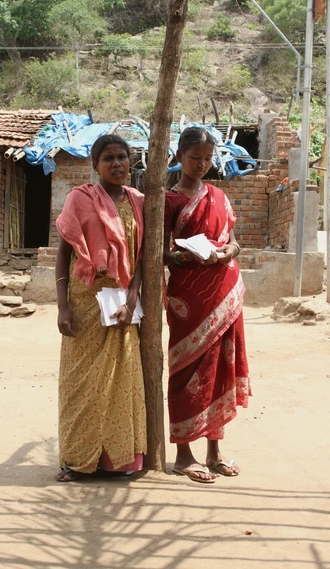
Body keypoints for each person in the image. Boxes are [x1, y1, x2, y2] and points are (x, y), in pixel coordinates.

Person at [54, 134, 147, 482]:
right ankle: (77, 460)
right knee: (81, 384)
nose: (117, 163)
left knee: (121, 381)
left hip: (122, 304)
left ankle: (119, 462)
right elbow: (64, 254)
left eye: (122, 157)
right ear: (95, 165)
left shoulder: (139, 202)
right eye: (108, 158)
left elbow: (142, 260)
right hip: (84, 302)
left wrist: (132, 300)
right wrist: (63, 307)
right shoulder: (79, 199)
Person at [163, 126, 251, 484]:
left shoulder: (218, 195)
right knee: (187, 370)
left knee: (221, 369)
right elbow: (159, 251)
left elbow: (231, 239)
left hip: (224, 291)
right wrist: (183, 258)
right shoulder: (169, 200)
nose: (201, 164)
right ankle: (185, 454)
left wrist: (228, 251)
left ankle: (214, 451)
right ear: (180, 156)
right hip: (189, 296)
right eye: (194, 157)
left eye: (207, 158)